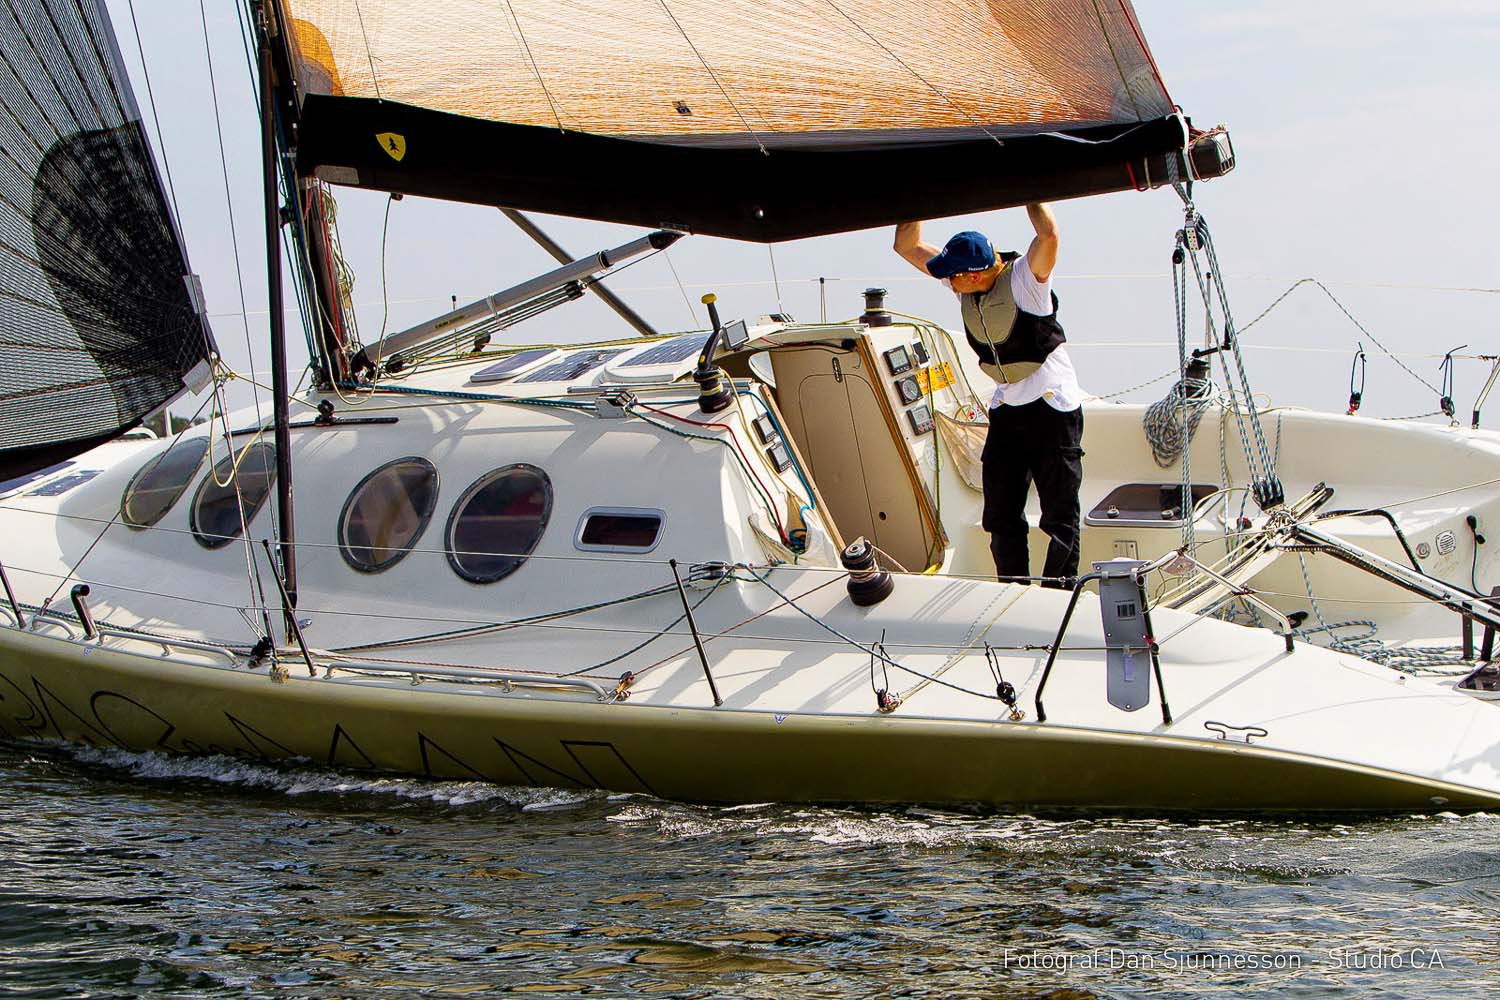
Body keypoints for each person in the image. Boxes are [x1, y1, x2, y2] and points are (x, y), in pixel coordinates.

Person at [893, 205, 1083, 587]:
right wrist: (916, 196)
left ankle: (1060, 593)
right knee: (1000, 513)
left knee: (1058, 515)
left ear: (974, 275)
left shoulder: (1026, 281)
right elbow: (906, 246)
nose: (947, 283)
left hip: (1051, 405)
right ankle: (1012, 589)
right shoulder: (964, 281)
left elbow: (1049, 236)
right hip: (1008, 406)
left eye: (953, 277)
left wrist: (1028, 190)